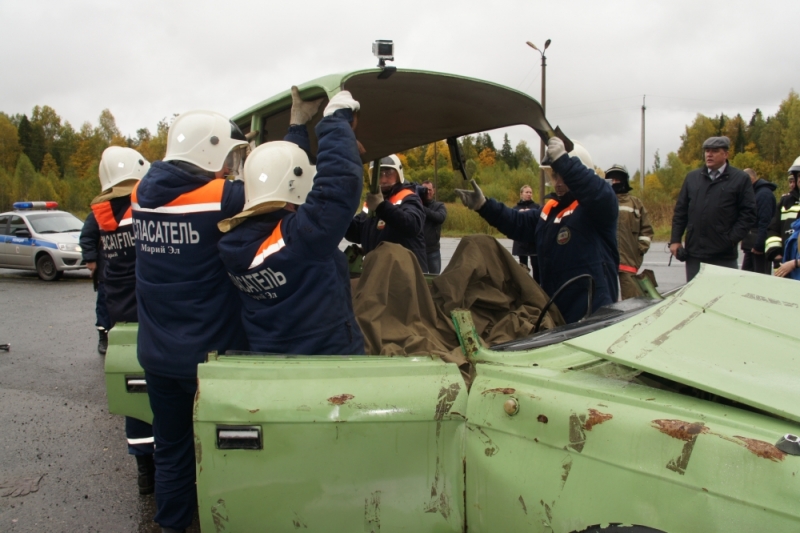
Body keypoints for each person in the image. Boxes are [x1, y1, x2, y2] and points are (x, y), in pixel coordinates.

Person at [132, 109, 251, 533]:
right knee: (230, 448)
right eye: (227, 157)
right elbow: (278, 191)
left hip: (158, 354)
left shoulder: (140, 194)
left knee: (171, 449)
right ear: (209, 152)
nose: (229, 167)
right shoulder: (220, 197)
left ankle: (172, 524)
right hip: (209, 357)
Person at [217, 90, 365, 355]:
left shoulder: (232, 244)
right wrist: (334, 120)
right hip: (327, 363)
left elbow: (282, 176)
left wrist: (297, 128)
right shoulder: (304, 239)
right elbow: (339, 185)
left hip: (269, 359)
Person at [455, 137, 619, 324]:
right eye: (554, 175)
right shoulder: (548, 212)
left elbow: (598, 193)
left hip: (595, 318)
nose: (558, 182)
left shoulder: (598, 208)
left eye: (563, 175)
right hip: (558, 315)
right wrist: (484, 206)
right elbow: (517, 222)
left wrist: (564, 162)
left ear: (579, 171)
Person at [90, 146, 155, 495]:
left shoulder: (104, 214)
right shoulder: (142, 208)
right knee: (161, 395)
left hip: (120, 314)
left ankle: (144, 471)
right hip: (147, 315)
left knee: (135, 399)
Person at [669, 136, 756, 282]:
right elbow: (681, 211)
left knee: (724, 295)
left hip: (723, 255)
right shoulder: (692, 178)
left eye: (714, 151)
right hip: (695, 253)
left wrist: (731, 239)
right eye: (707, 151)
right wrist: (675, 240)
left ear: (726, 154)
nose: (709, 154)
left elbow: (748, 214)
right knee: (695, 294)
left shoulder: (740, 179)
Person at [345, 154, 428, 272]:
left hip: (405, 273)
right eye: (378, 174)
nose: (383, 180)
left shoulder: (409, 197)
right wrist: (341, 215)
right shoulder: (372, 202)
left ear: (398, 175)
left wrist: (381, 207)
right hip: (379, 270)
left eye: (389, 174)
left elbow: (412, 225)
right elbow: (357, 233)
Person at [606, 164, 653, 298]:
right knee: (607, 301)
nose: (615, 182)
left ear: (624, 181)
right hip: (606, 262)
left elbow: (646, 229)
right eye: (612, 180)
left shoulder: (635, 204)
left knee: (631, 301)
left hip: (629, 261)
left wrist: (640, 249)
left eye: (618, 179)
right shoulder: (603, 202)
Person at [79, 213, 111, 354]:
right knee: (104, 303)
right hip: (106, 266)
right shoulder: (100, 210)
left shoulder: (134, 206)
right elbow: (87, 236)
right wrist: (90, 259)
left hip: (130, 268)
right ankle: (104, 337)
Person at [765, 157, 800, 269]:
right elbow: (773, 231)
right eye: (799, 176)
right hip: (784, 269)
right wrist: (776, 256)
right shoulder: (786, 202)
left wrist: (795, 264)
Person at [740, 168, 776, 274]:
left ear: (750, 179)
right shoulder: (755, 193)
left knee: (760, 276)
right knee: (745, 275)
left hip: (758, 246)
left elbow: (765, 221)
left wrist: (759, 245)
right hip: (751, 245)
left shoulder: (764, 194)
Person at [511, 184, 540, 282]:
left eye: (530, 192)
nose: (529, 194)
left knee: (536, 265)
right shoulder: (516, 208)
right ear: (521, 194)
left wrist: (531, 213)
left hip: (533, 241)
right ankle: (525, 285)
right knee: (523, 266)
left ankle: (537, 286)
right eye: (527, 192)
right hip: (521, 241)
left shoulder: (537, 207)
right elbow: (512, 222)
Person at [419, 180, 447, 274]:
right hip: (418, 250)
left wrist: (422, 209)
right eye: (424, 189)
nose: (427, 192)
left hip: (433, 251)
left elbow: (440, 218)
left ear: (433, 191)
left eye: (430, 190)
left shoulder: (439, 206)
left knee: (435, 278)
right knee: (418, 278)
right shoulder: (415, 205)